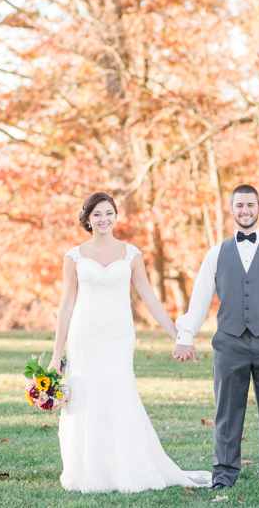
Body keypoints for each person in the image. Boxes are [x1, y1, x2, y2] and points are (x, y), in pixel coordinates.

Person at [50, 192, 211, 493]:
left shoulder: (131, 254)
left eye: (109, 213)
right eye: (97, 214)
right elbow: (66, 306)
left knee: (119, 395)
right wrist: (57, 356)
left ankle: (127, 468)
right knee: (86, 399)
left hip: (119, 337)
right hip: (84, 337)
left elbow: (150, 299)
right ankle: (91, 471)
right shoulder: (74, 257)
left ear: (116, 216)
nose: (104, 219)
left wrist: (179, 337)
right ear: (87, 218)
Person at [173, 184, 259, 492]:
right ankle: (224, 475)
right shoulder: (216, 254)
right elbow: (200, 300)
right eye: (239, 206)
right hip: (229, 343)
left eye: (250, 205)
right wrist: (186, 334)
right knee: (227, 412)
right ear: (231, 210)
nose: (245, 210)